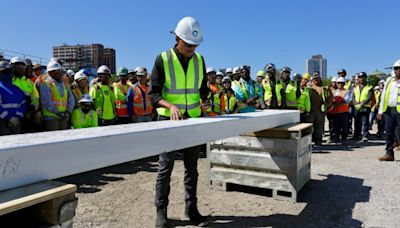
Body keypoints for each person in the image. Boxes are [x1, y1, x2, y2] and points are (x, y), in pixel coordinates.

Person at [150, 16, 209, 227]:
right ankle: (161, 211)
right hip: (168, 121)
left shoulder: (200, 61)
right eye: (188, 44)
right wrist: (170, 106)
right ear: (177, 38)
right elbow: (153, 94)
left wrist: (205, 101)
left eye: (195, 45)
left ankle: (191, 209)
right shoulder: (162, 59)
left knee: (192, 168)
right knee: (165, 168)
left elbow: (203, 91)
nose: (192, 49)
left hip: (192, 120)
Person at [40, 61, 75, 131]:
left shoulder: (65, 84)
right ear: (49, 73)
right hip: (51, 116)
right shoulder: (46, 84)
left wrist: (68, 112)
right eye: (54, 71)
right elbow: (47, 102)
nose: (57, 73)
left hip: (64, 115)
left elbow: (71, 99)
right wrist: (57, 113)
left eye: (58, 70)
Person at [377, 59, 400, 161]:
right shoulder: (389, 80)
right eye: (396, 68)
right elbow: (383, 96)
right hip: (389, 111)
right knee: (389, 133)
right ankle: (389, 153)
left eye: (399, 68)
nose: (398, 70)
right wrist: (380, 111)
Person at [11, 56, 39, 133]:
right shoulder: (8, 81)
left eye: (23, 66)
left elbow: (36, 97)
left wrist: (33, 108)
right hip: (13, 115)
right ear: (12, 67)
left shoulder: (29, 82)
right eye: (17, 66)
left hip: (28, 114)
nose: (20, 68)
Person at [0, 61, 26, 135]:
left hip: (16, 121)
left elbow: (23, 104)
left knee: (17, 143)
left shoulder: (17, 89)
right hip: (2, 122)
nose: (7, 74)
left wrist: (18, 117)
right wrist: (9, 118)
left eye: (9, 71)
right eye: (4, 72)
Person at [307, 71, 330, 146]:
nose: (316, 80)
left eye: (317, 78)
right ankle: (308, 142)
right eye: (314, 78)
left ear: (320, 78)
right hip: (310, 111)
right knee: (309, 127)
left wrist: (327, 106)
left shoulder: (324, 88)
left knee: (319, 127)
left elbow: (330, 98)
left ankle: (318, 141)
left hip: (320, 111)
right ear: (312, 79)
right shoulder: (308, 87)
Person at [352, 72, 373, 142]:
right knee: (357, 122)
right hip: (357, 107)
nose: (361, 79)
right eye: (360, 77)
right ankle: (356, 135)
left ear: (365, 78)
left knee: (365, 122)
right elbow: (353, 97)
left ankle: (365, 136)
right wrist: (355, 103)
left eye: (363, 77)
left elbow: (370, 97)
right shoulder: (355, 88)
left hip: (365, 107)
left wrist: (362, 104)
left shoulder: (369, 87)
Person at [330, 77, 351, 143]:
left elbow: (347, 100)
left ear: (344, 84)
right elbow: (331, 100)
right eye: (339, 83)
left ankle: (344, 139)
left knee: (344, 126)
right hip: (335, 112)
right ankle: (336, 138)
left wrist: (336, 102)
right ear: (337, 83)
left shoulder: (347, 91)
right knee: (335, 126)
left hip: (344, 111)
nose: (340, 84)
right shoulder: (334, 92)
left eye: (342, 83)